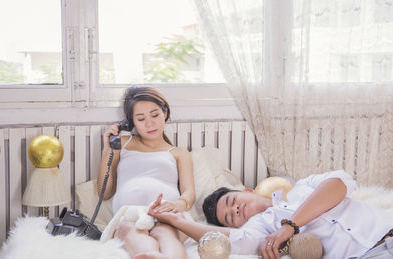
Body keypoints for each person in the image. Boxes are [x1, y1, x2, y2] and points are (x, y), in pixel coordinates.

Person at [148, 170, 393, 259]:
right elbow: (234, 241)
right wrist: (177, 221)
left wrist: (290, 225)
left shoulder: (303, 188)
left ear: (246, 190)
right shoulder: (262, 228)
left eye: (233, 202)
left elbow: (341, 182)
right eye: (231, 217)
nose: (234, 210)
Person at [97, 86, 195, 259]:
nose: (150, 124)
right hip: (130, 216)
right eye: (141, 119)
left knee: (165, 234)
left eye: (155, 115)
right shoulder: (122, 144)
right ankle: (150, 255)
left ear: (165, 112)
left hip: (166, 215)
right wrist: (108, 150)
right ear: (131, 123)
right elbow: (104, 194)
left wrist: (176, 205)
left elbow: (189, 193)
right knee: (129, 231)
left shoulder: (178, 153)